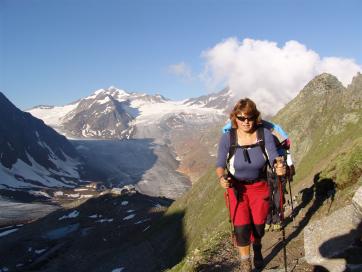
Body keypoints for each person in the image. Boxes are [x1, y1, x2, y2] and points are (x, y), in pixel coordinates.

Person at [216, 98, 286, 271]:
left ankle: (257, 247)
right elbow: (219, 164)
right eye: (241, 118)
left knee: (258, 226)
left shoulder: (264, 135)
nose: (246, 121)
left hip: (259, 187)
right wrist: (221, 178)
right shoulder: (228, 138)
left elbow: (272, 156)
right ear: (235, 119)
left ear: (256, 117)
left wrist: (279, 166)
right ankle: (246, 263)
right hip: (236, 188)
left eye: (250, 117)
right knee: (241, 228)